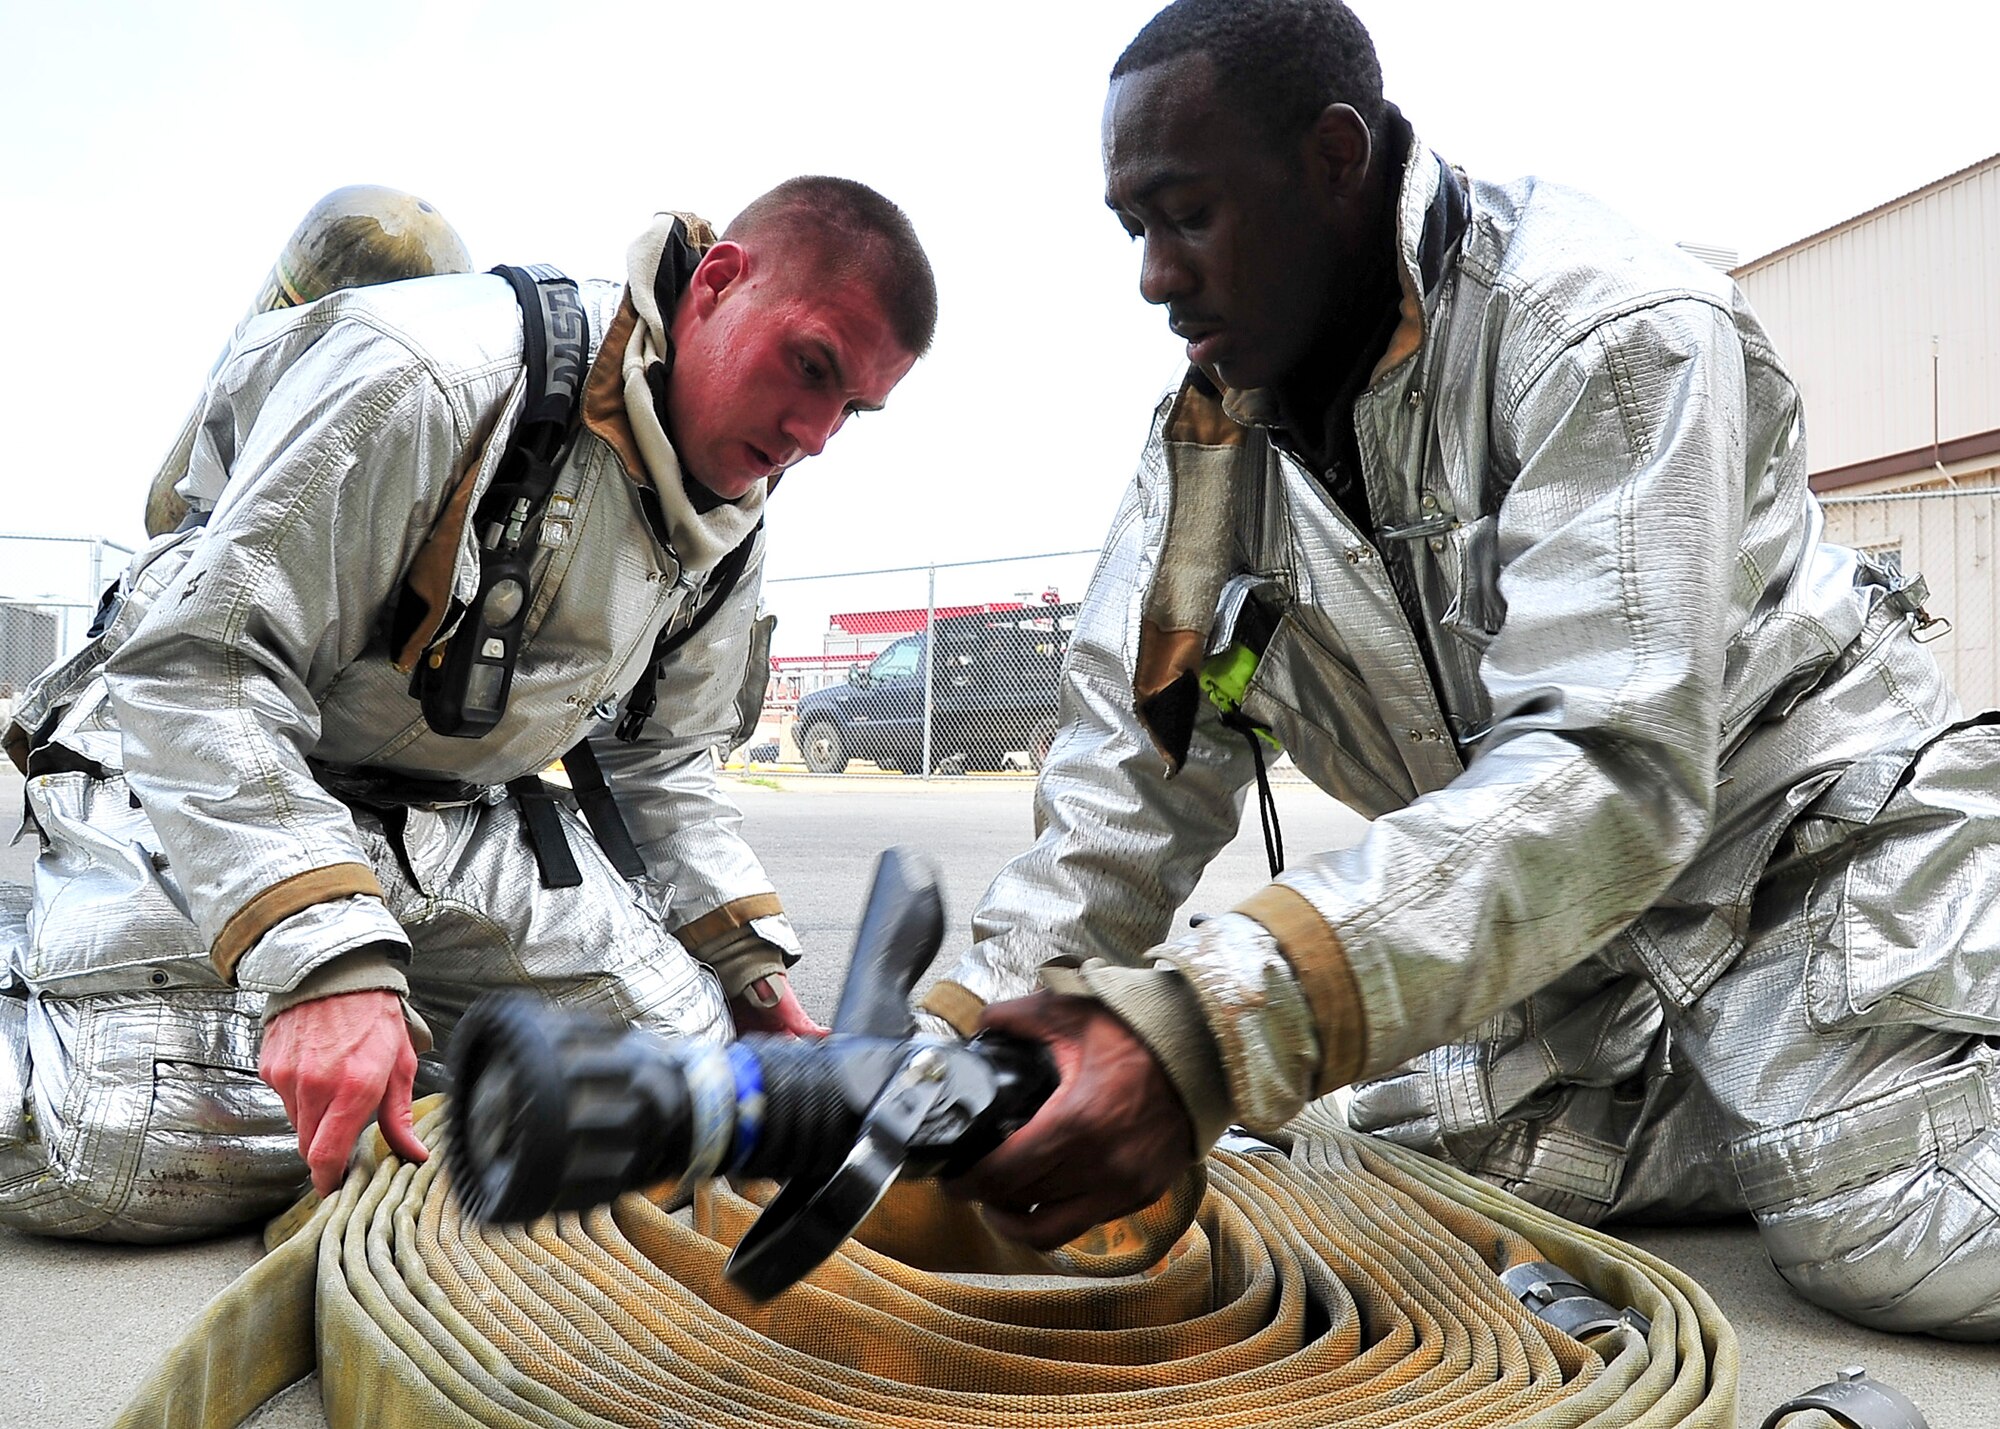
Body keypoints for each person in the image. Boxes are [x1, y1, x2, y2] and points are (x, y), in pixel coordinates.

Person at [929, 0, 2000, 1340]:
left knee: (1881, 1219)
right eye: (1129, 228)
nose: (1151, 275)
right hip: (1577, 931)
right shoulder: (1210, 464)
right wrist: (954, 1059)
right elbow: (1123, 795)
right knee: (1354, 1142)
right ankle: (1780, 1084)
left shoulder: (1606, 331)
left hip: (1813, 846)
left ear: (1332, 160)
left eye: (1185, 214)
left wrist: (1205, 1030)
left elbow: (1609, 767)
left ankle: (1898, 1052)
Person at [0, 176, 935, 1240]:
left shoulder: (732, 516)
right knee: (126, 1142)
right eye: (809, 366)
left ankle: (339, 1021)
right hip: (208, 768)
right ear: (718, 283)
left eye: (852, 409)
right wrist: (326, 958)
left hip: (443, 823)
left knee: (684, 1085)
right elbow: (203, 666)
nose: (814, 434)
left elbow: (663, 760)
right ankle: (80, 968)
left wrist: (748, 974)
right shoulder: (435, 376)